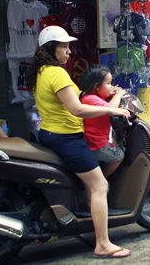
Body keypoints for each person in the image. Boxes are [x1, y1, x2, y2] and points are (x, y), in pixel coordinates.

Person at [26, 26, 131, 258]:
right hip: (67, 138)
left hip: (49, 133)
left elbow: (75, 100)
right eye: (63, 46)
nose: (69, 51)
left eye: (68, 46)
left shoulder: (41, 71)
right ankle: (103, 244)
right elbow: (76, 109)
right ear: (50, 48)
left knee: (89, 182)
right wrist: (115, 111)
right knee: (100, 185)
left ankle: (88, 214)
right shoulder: (57, 73)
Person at [80, 65, 126, 178]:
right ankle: (103, 178)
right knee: (119, 156)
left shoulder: (93, 97)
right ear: (96, 86)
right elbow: (111, 108)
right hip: (96, 145)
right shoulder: (90, 99)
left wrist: (111, 92)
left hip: (95, 142)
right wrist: (119, 94)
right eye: (108, 83)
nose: (110, 87)